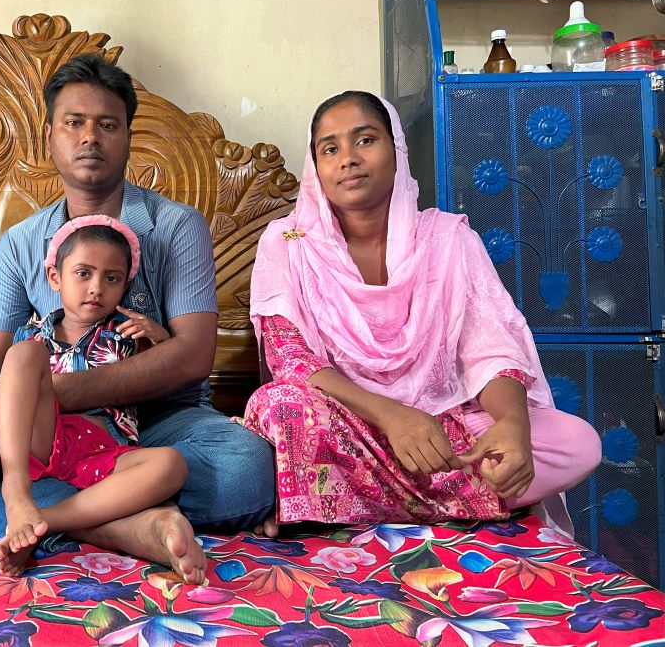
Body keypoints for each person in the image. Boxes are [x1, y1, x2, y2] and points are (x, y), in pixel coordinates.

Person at [0, 53, 274, 582]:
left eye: (107, 124)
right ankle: (133, 527)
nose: (90, 137)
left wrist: (38, 399)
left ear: (128, 137)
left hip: (161, 423)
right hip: (52, 436)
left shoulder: (177, 226)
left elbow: (192, 356)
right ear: (50, 135)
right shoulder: (20, 244)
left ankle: (49, 516)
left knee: (248, 467)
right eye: (74, 122)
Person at [244, 91, 601, 535]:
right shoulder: (287, 242)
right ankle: (457, 499)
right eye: (330, 148)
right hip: (349, 422)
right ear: (315, 166)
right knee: (278, 407)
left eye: (366, 140)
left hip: (442, 425)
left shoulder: (448, 238)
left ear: (397, 151)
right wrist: (393, 418)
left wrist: (511, 424)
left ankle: (340, 502)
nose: (348, 159)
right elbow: (291, 360)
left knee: (576, 443)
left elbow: (489, 347)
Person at [0, 215, 199, 581]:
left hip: (103, 452)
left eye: (112, 278)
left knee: (172, 464)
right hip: (43, 440)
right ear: (55, 278)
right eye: (83, 274)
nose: (97, 287)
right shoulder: (32, 333)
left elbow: (172, 378)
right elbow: (5, 394)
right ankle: (16, 490)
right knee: (23, 356)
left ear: (125, 286)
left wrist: (160, 339)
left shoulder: (127, 335)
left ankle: (41, 521)